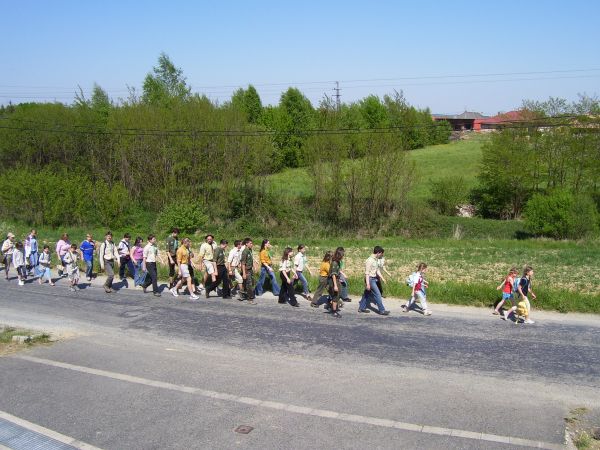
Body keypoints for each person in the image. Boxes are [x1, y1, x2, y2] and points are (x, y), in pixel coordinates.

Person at [358, 246, 390, 316]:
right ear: (378, 253)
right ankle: (382, 310)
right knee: (378, 294)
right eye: (381, 254)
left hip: (373, 278)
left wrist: (383, 278)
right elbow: (367, 273)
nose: (381, 255)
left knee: (367, 294)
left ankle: (361, 308)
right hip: (369, 279)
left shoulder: (375, 260)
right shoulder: (369, 260)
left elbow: (377, 270)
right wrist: (368, 284)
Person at [326, 247, 345, 317]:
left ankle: (331, 305)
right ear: (339, 255)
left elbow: (337, 272)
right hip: (333, 281)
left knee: (337, 295)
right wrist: (335, 285)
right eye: (342, 255)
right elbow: (333, 274)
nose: (343, 256)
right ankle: (334, 311)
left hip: (336, 280)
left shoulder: (337, 262)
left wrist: (341, 276)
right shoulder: (334, 263)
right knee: (336, 296)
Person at [240, 238, 256, 304]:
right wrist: (244, 273)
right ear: (246, 244)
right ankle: (250, 299)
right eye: (250, 243)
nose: (252, 244)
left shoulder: (250, 250)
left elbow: (251, 259)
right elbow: (243, 263)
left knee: (248, 283)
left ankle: (241, 292)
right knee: (249, 285)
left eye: (252, 243)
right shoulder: (245, 251)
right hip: (246, 270)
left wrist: (254, 266)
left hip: (250, 269)